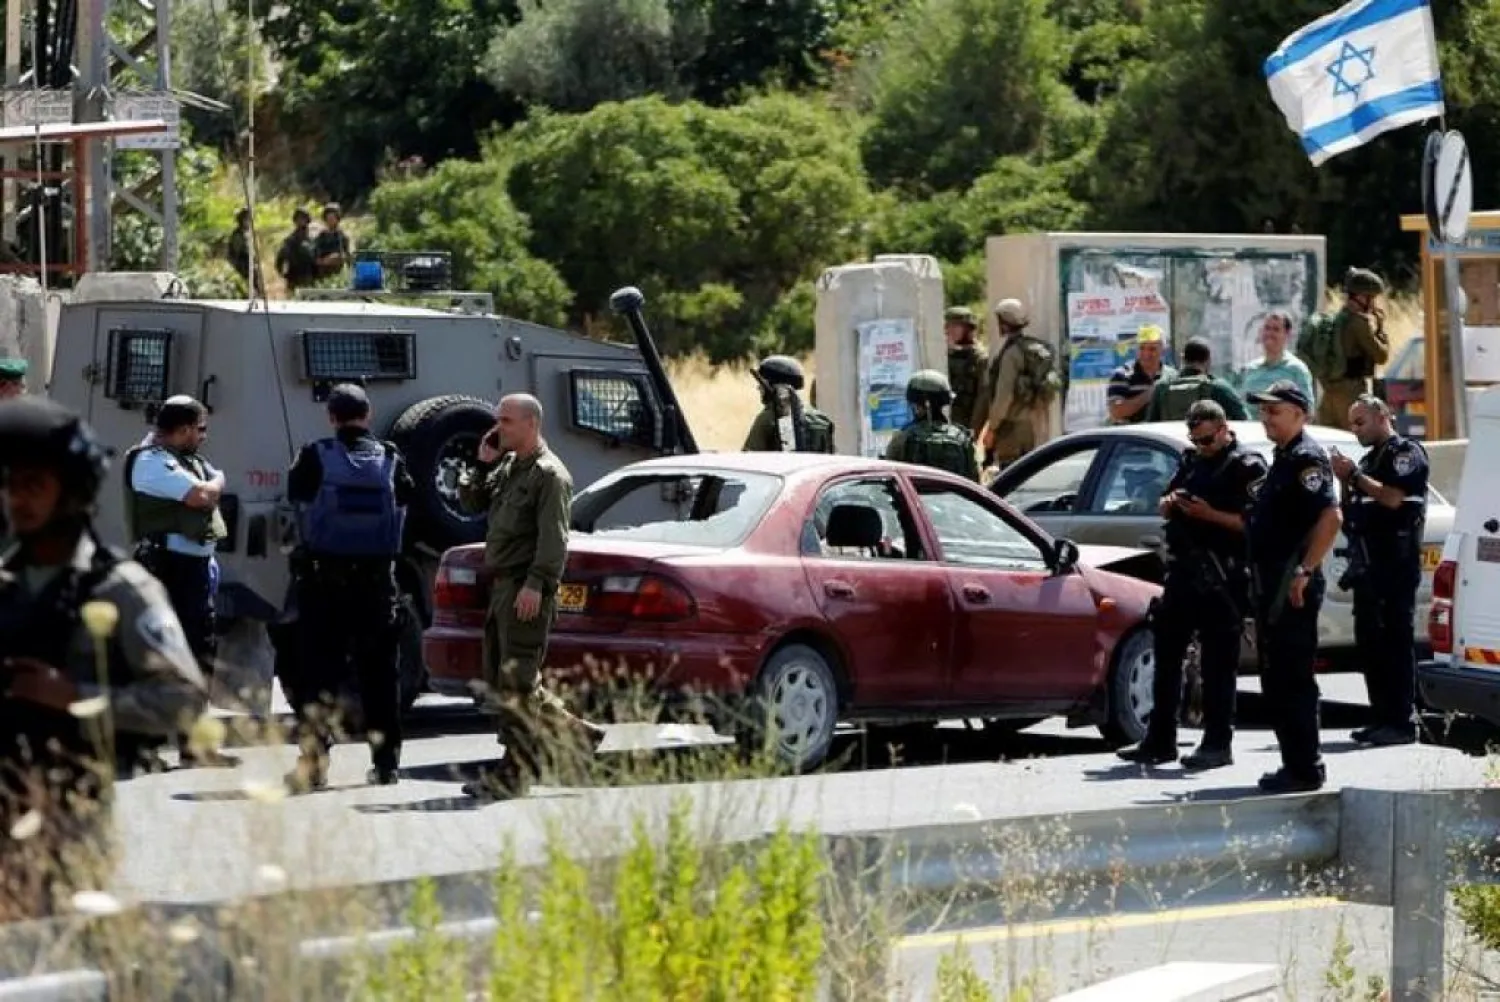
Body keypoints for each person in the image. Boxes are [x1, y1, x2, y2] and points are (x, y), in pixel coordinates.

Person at [0, 397, 206, 920]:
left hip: (67, 821)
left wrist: (76, 697)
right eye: (10, 485)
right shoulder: (6, 585)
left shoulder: (120, 589)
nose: (17, 500)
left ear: (71, 490)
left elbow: (182, 699)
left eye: (33, 485)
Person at [457, 393, 604, 800]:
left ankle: (515, 774)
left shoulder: (550, 475)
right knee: (506, 680)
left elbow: (554, 540)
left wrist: (536, 584)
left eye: (506, 420)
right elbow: (471, 502)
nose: (498, 427)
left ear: (531, 424)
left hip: (525, 587)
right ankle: (575, 734)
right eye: (498, 419)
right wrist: (481, 464)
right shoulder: (508, 467)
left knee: (518, 683)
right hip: (503, 586)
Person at [1117, 400, 1266, 771]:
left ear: (1224, 430)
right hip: (1184, 573)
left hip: (1222, 577)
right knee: (1166, 655)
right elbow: (1166, 499)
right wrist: (1170, 504)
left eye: (1207, 440)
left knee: (1218, 664)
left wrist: (1208, 514)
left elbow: (1255, 525)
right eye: (1195, 440)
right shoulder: (1192, 461)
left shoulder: (1246, 467)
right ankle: (1160, 739)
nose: (1202, 446)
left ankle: (1217, 742)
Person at [282, 384, 414, 792]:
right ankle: (386, 765)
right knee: (381, 677)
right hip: (376, 585)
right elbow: (407, 501)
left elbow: (296, 497)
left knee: (318, 677)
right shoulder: (391, 457)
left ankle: (313, 766)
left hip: (324, 584)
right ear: (368, 414)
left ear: (331, 418)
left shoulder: (313, 455)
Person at [123, 396, 236, 769]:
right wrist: (216, 483)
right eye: (200, 429)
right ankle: (145, 747)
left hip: (194, 570)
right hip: (167, 568)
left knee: (199, 654)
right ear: (184, 429)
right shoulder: (151, 462)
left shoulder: (188, 460)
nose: (204, 436)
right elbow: (201, 495)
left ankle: (194, 745)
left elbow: (210, 486)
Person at [1243, 380, 1343, 793]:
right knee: (1277, 677)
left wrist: (1304, 570)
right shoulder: (1283, 457)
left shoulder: (1306, 458)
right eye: (1263, 410)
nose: (1266, 417)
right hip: (1271, 584)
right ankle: (1294, 764)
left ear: (1300, 414)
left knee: (1293, 677)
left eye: (1275, 410)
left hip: (1291, 584)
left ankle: (1305, 768)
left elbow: (1331, 517)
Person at [1331, 394, 1428, 747]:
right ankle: (1381, 717)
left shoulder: (1404, 453)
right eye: (1352, 424)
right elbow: (1352, 511)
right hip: (1368, 566)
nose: (1355, 429)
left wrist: (1354, 475)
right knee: (1371, 644)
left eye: (1361, 422)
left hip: (1394, 564)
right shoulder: (1369, 460)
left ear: (1383, 416)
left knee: (1395, 643)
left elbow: (1393, 498)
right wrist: (1344, 479)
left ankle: (1401, 722)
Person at [970, 298, 1061, 472]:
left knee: (1011, 473)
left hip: (1012, 428)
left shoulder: (1012, 354)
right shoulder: (1030, 348)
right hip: (1032, 425)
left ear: (1004, 323)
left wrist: (992, 428)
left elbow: (1004, 396)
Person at [1314, 268, 1389, 430]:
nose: (1373, 304)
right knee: (1356, 440)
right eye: (1371, 298)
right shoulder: (1359, 323)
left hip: (1329, 393)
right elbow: (1381, 356)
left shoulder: (1335, 320)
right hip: (1351, 394)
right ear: (1361, 297)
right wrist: (1380, 329)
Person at [885, 369, 980, 481]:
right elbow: (975, 480)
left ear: (916, 405)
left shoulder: (901, 439)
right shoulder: (963, 439)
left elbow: (890, 478)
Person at [743, 355, 835, 453]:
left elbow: (749, 457)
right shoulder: (820, 419)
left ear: (772, 386)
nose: (759, 388)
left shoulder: (768, 418)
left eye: (762, 384)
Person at [1145, 337, 1249, 422]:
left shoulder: (1162, 387)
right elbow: (1245, 420)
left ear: (1183, 359)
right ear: (1208, 360)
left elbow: (1151, 425)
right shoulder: (1218, 387)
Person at [1235, 311, 1316, 407]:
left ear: (1287, 335)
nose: (1270, 333)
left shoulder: (1297, 370)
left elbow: (1308, 408)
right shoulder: (1250, 369)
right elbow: (1240, 404)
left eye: (1276, 329)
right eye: (1267, 328)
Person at [1107, 324, 1176, 426]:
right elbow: (1116, 412)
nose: (1146, 354)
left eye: (1152, 349)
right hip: (1133, 435)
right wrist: (1152, 393)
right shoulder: (1122, 375)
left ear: (1163, 350)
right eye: (1142, 348)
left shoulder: (1172, 376)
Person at [944, 306, 988, 430]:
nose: (950, 330)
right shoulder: (947, 355)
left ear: (968, 328)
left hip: (969, 423)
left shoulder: (980, 357)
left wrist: (974, 428)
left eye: (955, 326)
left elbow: (983, 398)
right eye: (948, 326)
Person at [274, 208, 317, 294]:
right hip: (294, 276)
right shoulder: (290, 240)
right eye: (298, 219)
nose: (301, 221)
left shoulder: (314, 238)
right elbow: (280, 258)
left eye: (303, 219)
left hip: (310, 275)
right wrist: (283, 273)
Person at [312, 203, 351, 280]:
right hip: (322, 273)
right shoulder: (320, 236)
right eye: (328, 218)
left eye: (332, 218)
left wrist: (337, 257)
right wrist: (324, 261)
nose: (330, 221)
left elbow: (347, 256)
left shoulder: (342, 236)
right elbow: (315, 258)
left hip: (337, 273)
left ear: (337, 219)